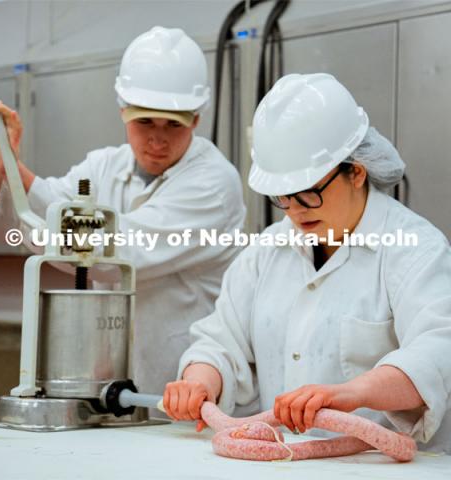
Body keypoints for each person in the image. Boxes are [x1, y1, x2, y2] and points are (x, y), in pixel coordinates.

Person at [163, 73, 451, 453]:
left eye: (308, 194)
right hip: (281, 463)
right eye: (283, 197)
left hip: (379, 470)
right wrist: (199, 380)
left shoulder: (415, 249)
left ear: (357, 172)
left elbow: (436, 351)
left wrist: (352, 393)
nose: (295, 211)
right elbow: (220, 341)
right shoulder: (268, 250)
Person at [0, 26, 246, 399]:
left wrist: (12, 168)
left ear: (196, 119)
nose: (157, 139)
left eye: (173, 125)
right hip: (110, 387)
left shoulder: (213, 183)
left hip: (188, 392)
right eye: (145, 121)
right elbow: (25, 224)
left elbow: (112, 256)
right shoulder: (103, 166)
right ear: (122, 111)